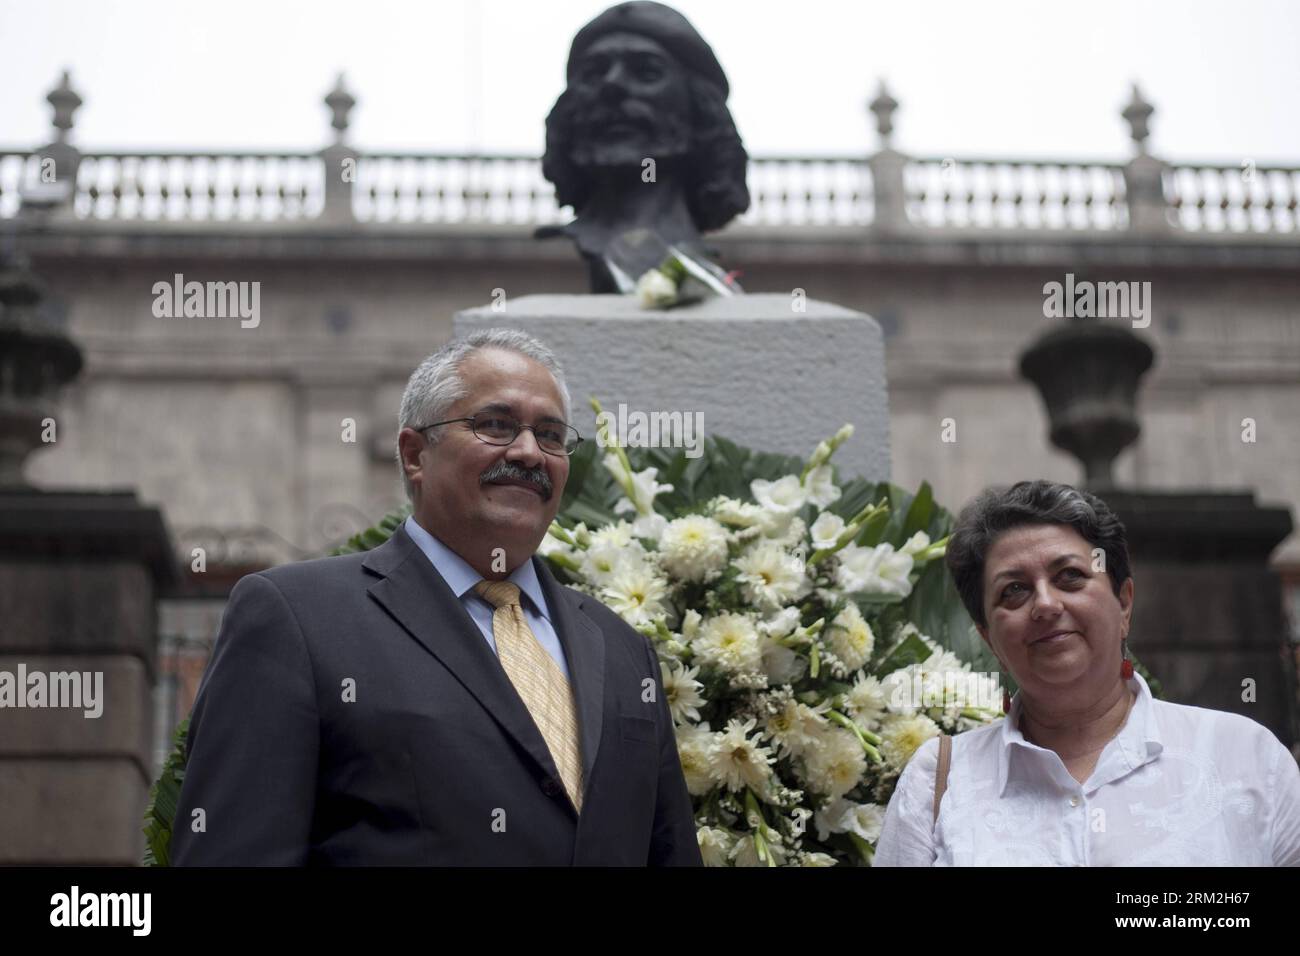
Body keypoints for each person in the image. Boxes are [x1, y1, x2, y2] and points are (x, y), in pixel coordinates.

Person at [173, 328, 701, 865]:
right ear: (414, 454)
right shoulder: (298, 618)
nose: (528, 452)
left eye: (551, 435)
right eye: (495, 424)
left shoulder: (621, 648)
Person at [875, 479, 1300, 866]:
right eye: (1014, 590)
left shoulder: (1246, 760)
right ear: (988, 639)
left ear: (1124, 604)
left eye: (1070, 576)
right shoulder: (939, 780)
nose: (1045, 604)